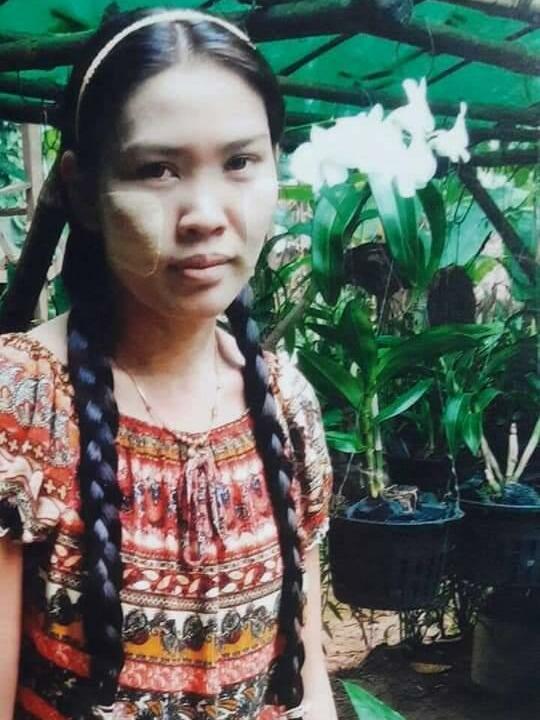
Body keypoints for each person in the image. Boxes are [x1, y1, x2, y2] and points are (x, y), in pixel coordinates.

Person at [0, 6, 338, 720]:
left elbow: (308, 690)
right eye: (157, 169)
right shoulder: (22, 406)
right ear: (83, 191)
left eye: (240, 162)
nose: (205, 214)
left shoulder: (285, 404)